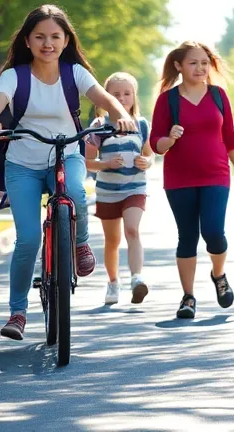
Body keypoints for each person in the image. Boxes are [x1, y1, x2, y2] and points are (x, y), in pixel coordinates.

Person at [0, 4, 137, 341]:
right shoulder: (15, 75)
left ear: (66, 41)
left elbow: (104, 97)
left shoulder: (74, 73)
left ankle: (80, 244)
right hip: (22, 162)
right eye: (39, 37)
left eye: (55, 36)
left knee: (77, 193)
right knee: (28, 240)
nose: (47, 43)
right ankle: (18, 312)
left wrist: (122, 114)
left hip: (66, 155)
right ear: (27, 40)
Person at [150, 41, 234, 321]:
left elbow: (230, 135)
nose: (200, 68)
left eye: (204, 62)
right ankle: (188, 297)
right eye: (193, 63)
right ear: (179, 66)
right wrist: (170, 138)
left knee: (214, 232)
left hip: (216, 174)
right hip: (179, 178)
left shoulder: (218, 95)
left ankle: (219, 274)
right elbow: (156, 142)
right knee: (187, 236)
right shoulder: (168, 99)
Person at [85, 71, 154, 306]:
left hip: (135, 188)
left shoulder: (141, 125)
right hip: (107, 191)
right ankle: (113, 282)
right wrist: (105, 164)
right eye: (116, 94)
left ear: (134, 96)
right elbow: (86, 162)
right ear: (106, 97)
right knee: (112, 240)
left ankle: (137, 279)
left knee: (132, 231)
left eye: (127, 93)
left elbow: (149, 154)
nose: (122, 98)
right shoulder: (99, 126)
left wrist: (147, 162)